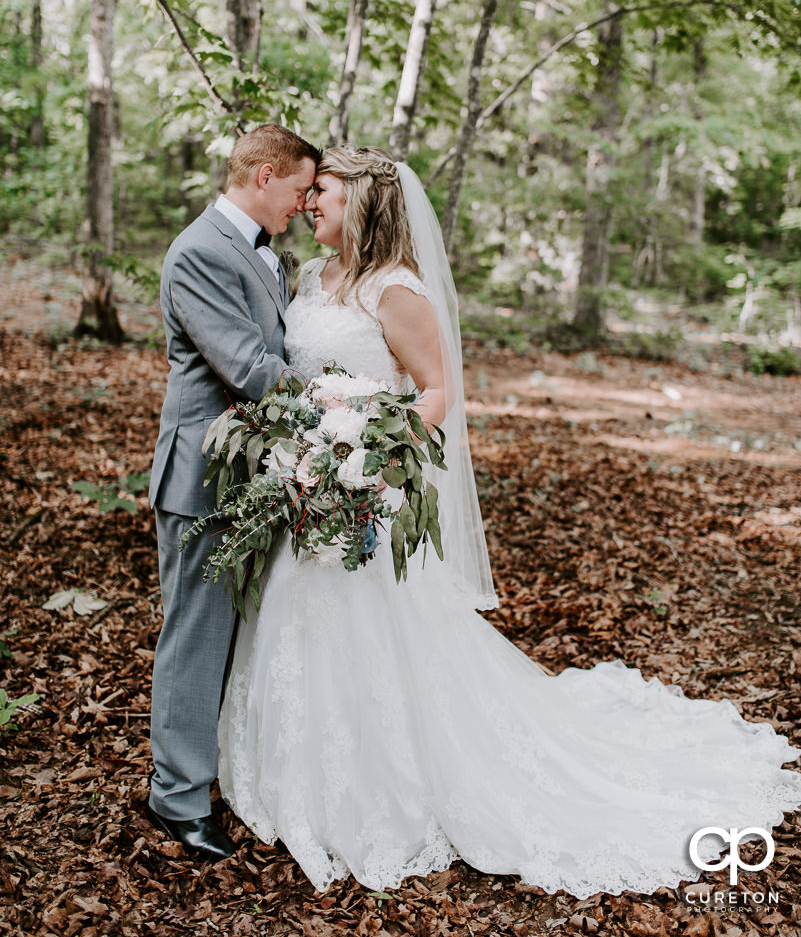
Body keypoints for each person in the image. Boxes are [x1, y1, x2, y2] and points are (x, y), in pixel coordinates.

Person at [217, 145, 801, 895]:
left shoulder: (395, 292)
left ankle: (381, 787)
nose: (309, 203)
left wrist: (374, 459)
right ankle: (291, 775)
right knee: (296, 623)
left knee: (369, 636)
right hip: (303, 484)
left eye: (322, 191)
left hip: (361, 489)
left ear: (360, 201)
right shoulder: (306, 276)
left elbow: (433, 393)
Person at [147, 123, 319, 862]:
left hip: (259, 474)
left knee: (244, 636)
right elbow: (249, 367)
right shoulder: (198, 253)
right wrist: (347, 404)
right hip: (203, 477)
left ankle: (231, 775)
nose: (305, 204)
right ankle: (176, 799)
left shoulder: (269, 257)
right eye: (299, 188)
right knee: (196, 636)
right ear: (262, 175)